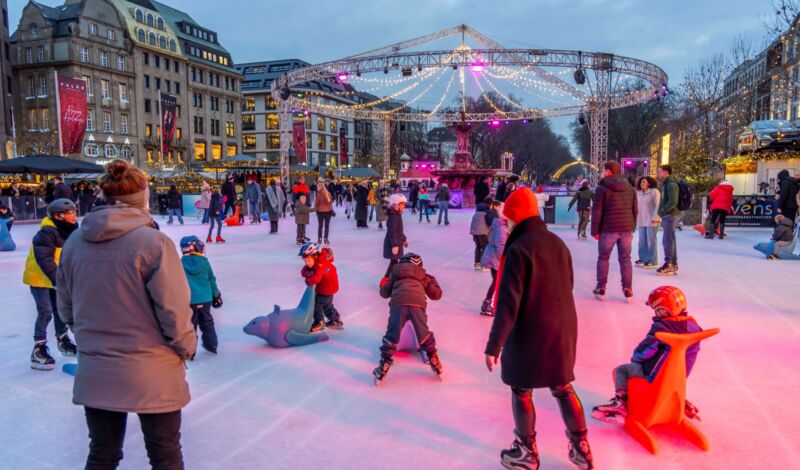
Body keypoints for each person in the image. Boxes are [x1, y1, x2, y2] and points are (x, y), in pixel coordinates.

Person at [56, 159, 196, 469]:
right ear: (143, 198)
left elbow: (65, 306)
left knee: (102, 454)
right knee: (164, 455)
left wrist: (89, 338)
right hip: (153, 368)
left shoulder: (75, 242)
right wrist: (186, 346)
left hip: (97, 367)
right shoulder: (154, 243)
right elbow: (173, 310)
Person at [484, 187, 593, 470]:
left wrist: (494, 345)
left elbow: (508, 303)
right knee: (562, 386)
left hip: (531, 329)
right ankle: (581, 447)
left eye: (509, 217)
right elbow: (567, 284)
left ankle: (527, 451)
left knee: (521, 388)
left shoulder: (519, 248)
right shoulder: (557, 243)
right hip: (563, 326)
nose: (506, 222)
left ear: (516, 216)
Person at [592, 286, 702, 423]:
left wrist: (635, 359)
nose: (656, 313)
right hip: (678, 377)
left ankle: (621, 404)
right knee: (667, 375)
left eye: (657, 310)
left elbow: (644, 351)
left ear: (664, 310)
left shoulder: (661, 328)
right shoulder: (694, 328)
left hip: (654, 374)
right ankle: (677, 400)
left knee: (622, 370)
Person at [23, 198, 79, 370]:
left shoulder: (71, 230)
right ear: (58, 215)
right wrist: (57, 279)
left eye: (74, 212)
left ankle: (63, 340)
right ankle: (38, 349)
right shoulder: (47, 233)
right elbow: (44, 259)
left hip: (56, 277)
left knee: (60, 309)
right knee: (45, 312)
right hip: (39, 278)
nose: (74, 216)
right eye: (70, 213)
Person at [374, 253, 443, 384]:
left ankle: (384, 363)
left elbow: (384, 293)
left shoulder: (395, 274)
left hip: (398, 304)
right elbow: (437, 295)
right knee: (424, 334)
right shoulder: (423, 276)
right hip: (418, 305)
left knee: (392, 335)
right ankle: (433, 357)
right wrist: (433, 282)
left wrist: (385, 283)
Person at [591, 161, 638, 302]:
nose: (602, 173)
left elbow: (597, 211)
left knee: (603, 258)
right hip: (626, 229)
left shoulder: (602, 188)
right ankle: (628, 289)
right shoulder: (630, 188)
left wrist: (595, 231)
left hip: (608, 229)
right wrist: (632, 226)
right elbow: (635, 210)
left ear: (608, 171)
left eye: (603, 170)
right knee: (625, 259)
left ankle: (601, 287)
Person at [180, 235, 221, 354]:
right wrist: (216, 295)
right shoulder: (204, 262)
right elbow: (211, 279)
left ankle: (190, 351)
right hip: (205, 299)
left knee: (191, 326)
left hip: (190, 301)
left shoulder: (180, 263)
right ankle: (212, 345)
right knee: (207, 323)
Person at [299, 242, 343, 332]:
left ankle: (319, 323)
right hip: (327, 288)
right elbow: (303, 272)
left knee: (316, 304)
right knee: (328, 307)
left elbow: (316, 279)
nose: (307, 263)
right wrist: (309, 273)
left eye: (308, 260)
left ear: (315, 256)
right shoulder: (316, 261)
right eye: (305, 261)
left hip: (326, 289)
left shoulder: (322, 264)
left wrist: (308, 280)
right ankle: (336, 320)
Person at [479, 202, 508, 316]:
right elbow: (500, 243)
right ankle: (487, 304)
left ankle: (491, 303)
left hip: (494, 256)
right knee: (497, 281)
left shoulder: (502, 225)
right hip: (494, 257)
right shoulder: (502, 227)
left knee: (498, 281)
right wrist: (505, 258)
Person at [656, 164, 681, 276]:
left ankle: (669, 263)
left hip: (671, 215)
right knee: (670, 239)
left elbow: (673, 201)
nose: (658, 173)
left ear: (666, 172)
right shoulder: (667, 183)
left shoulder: (671, 184)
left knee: (667, 240)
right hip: (669, 215)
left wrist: (663, 211)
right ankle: (672, 264)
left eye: (660, 171)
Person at [634, 176, 661, 269]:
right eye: (641, 182)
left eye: (644, 182)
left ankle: (653, 260)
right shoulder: (638, 193)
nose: (642, 184)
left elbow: (658, 205)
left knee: (651, 241)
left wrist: (656, 217)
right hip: (641, 220)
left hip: (652, 221)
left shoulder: (654, 191)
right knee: (641, 241)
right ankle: (643, 259)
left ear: (649, 183)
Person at [382, 194, 408, 282]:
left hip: (396, 242)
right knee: (394, 262)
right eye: (402, 204)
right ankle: (386, 279)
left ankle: (392, 278)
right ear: (395, 204)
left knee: (395, 262)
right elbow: (392, 232)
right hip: (393, 244)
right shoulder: (393, 216)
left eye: (404, 204)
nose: (404, 206)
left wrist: (404, 239)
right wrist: (395, 245)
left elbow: (399, 230)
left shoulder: (397, 214)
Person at [470, 198, 492, 270]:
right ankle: (484, 264)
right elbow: (490, 223)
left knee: (478, 246)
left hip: (474, 231)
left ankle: (477, 263)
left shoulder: (477, 213)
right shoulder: (487, 213)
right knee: (485, 247)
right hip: (482, 232)